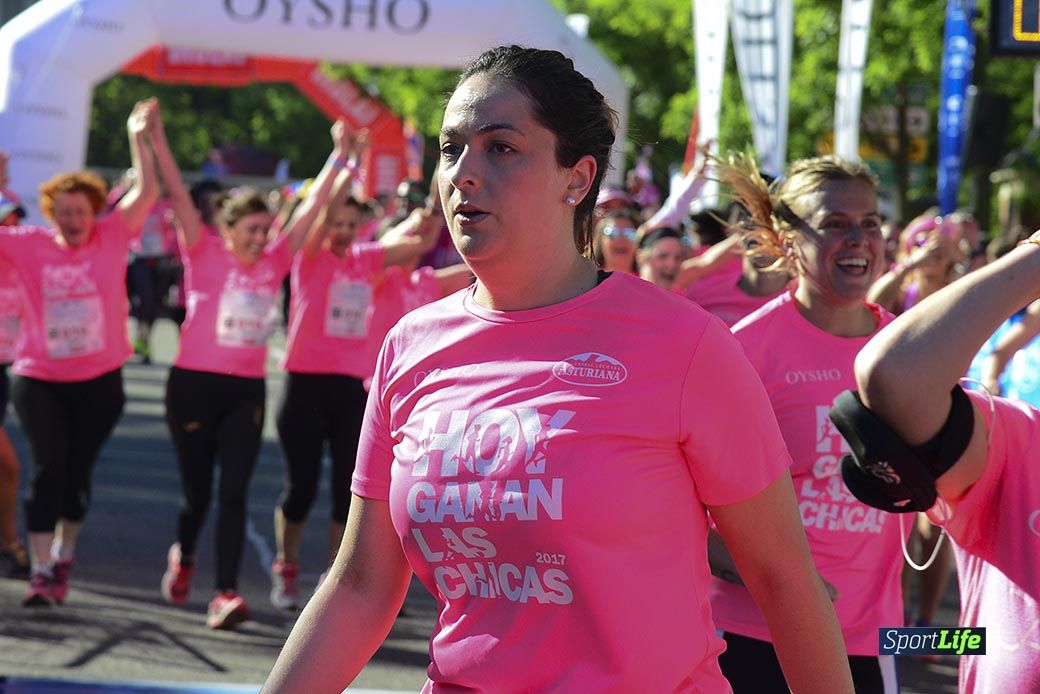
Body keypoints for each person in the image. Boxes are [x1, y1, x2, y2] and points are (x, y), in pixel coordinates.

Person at [262, 45, 852, 693]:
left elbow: (784, 578)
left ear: (577, 179)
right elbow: (360, 585)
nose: (463, 172)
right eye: (451, 147)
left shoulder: (683, 345)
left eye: (502, 148)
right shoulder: (409, 347)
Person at [706, 153, 903, 693]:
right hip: (749, 634)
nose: (859, 238)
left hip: (868, 638)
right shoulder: (741, 352)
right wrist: (784, 580)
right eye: (835, 224)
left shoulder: (909, 354)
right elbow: (671, 505)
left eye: (869, 223)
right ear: (789, 239)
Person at [148, 104, 345, 629]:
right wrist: (156, 138)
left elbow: (312, 206)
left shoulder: (278, 259)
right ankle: (185, 555)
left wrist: (341, 155)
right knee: (198, 494)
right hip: (193, 386)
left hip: (246, 391)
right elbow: (172, 187)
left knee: (233, 492)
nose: (262, 238)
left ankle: (225, 593)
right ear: (228, 228)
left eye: (266, 230)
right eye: (252, 230)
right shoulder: (202, 249)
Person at [848, 230, 1040, 694]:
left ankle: (927, 629)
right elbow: (892, 366)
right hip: (928, 435)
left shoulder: (960, 278)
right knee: (918, 543)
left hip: (948, 432)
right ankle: (913, 633)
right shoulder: (908, 288)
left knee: (930, 546)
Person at [270, 126, 444, 610]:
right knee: (300, 484)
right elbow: (315, 215)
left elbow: (422, 240)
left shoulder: (367, 260)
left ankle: (335, 579)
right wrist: (343, 160)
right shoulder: (308, 258)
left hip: (351, 389)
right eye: (336, 225)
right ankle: (286, 568)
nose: (343, 233)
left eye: (351, 225)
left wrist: (435, 197)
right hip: (303, 383)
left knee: (347, 489)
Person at [0, 100, 159, 606]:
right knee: (48, 469)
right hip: (39, 376)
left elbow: (149, 191)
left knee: (77, 474)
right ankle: (42, 570)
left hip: (99, 380)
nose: (72, 220)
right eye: (63, 213)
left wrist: (140, 135)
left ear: (95, 213)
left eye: (80, 212)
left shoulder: (113, 236)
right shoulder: (26, 244)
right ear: (51, 215)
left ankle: (64, 554)